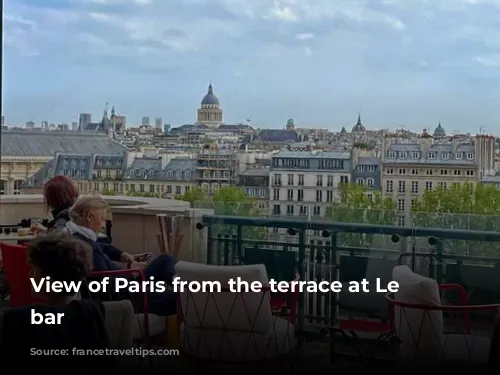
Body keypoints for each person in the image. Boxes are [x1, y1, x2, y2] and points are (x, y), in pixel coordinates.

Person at [0, 233, 113, 371]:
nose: (29, 275)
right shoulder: (94, 312)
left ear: (50, 278)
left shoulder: (16, 319)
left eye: (34, 270)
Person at [64, 194, 177, 316]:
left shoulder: (78, 238)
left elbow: (103, 247)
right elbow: (107, 288)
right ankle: (189, 292)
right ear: (89, 216)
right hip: (123, 295)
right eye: (102, 219)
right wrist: (133, 273)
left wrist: (124, 255)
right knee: (177, 298)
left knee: (164, 261)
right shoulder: (86, 248)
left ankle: (187, 289)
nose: (103, 225)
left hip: (123, 285)